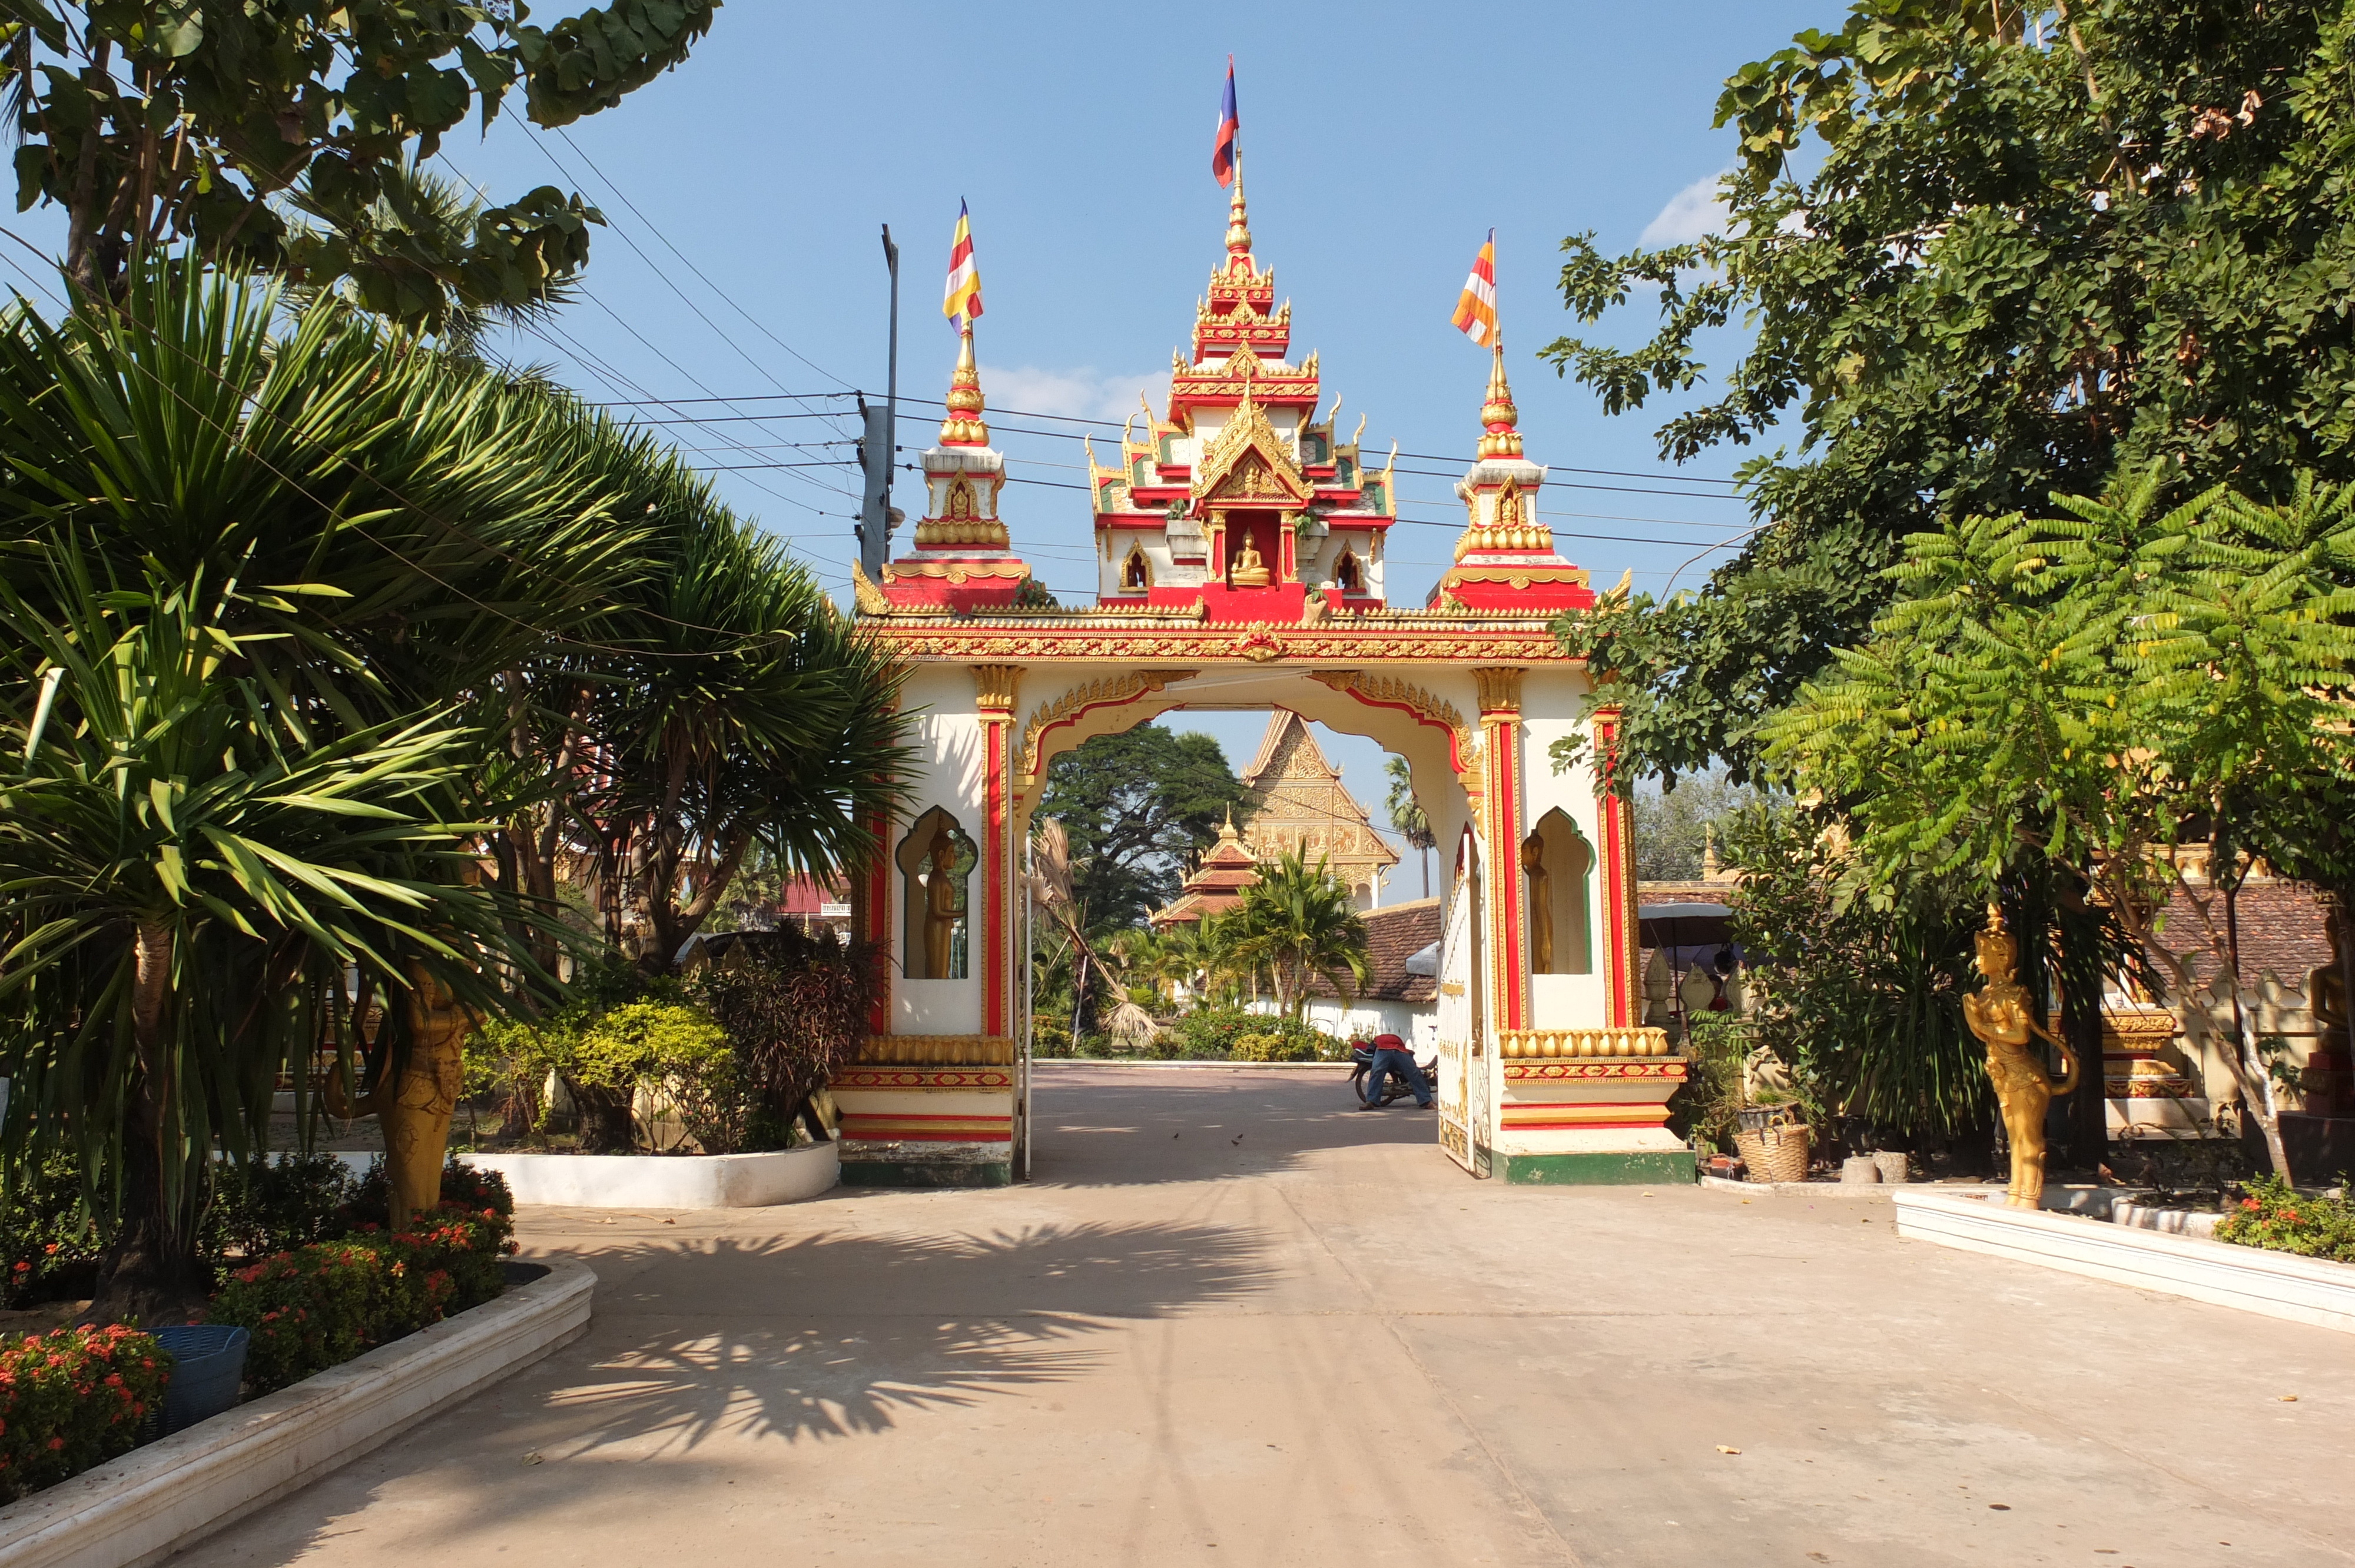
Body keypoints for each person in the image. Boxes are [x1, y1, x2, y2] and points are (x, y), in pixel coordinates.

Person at [1358, 1031, 1432, 1110]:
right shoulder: (1387, 1041)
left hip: (1394, 1050)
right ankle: (1427, 1101)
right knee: (1414, 1072)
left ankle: (1371, 1101)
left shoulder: (1381, 1041)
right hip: (1395, 1050)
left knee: (1377, 1072)